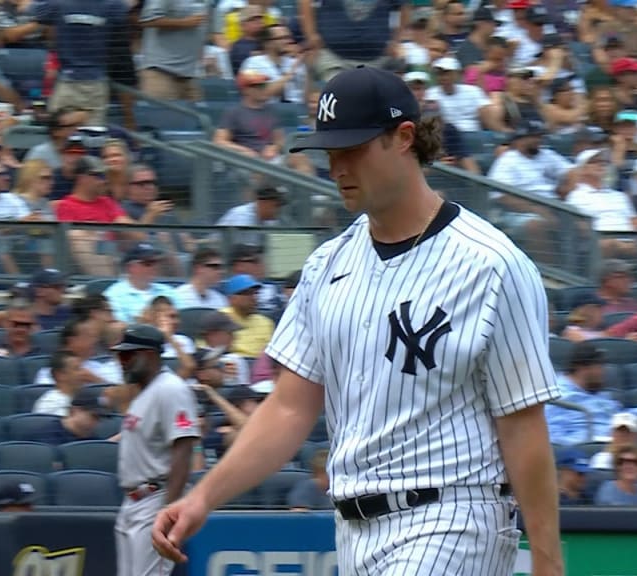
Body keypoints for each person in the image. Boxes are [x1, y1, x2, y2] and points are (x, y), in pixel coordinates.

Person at [152, 66, 563, 576]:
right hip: (352, 531)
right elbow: (288, 409)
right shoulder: (328, 265)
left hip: (456, 518)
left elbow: (523, 424)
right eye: (329, 152)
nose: (337, 166)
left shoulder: (493, 265)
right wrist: (203, 498)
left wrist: (547, 560)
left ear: (404, 138)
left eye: (353, 149)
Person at [114, 324, 199, 576]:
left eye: (128, 355)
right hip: (133, 501)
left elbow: (183, 448)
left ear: (149, 355)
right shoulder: (144, 392)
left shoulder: (170, 388)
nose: (122, 361)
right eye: (120, 355)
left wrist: (168, 510)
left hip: (155, 500)